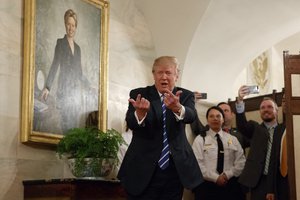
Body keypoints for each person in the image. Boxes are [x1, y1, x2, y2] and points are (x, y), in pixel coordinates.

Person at [117, 56, 204, 200]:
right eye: (159, 73)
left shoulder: (185, 95)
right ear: (153, 74)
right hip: (143, 168)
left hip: (174, 168)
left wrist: (178, 108)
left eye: (168, 73)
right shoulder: (140, 94)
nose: (164, 77)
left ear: (177, 75)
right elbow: (131, 122)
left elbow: (191, 116)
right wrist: (140, 113)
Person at [40, 9, 91, 133]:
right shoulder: (60, 43)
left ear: (76, 27)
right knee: (65, 128)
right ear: (65, 25)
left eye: (73, 25)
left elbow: (79, 73)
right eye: (68, 24)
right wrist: (47, 87)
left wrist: (89, 86)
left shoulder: (78, 49)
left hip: (75, 96)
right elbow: (54, 65)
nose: (71, 28)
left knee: (73, 128)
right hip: (63, 92)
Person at [236, 85, 286, 200]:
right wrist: (240, 100)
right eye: (263, 108)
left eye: (269, 107)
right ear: (259, 112)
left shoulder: (284, 130)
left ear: (276, 110)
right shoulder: (255, 128)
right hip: (258, 181)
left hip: (279, 180)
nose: (266, 109)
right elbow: (242, 125)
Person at [192, 106, 246, 200]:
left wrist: (227, 175)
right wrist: (215, 178)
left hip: (230, 185)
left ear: (223, 119)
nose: (215, 118)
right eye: (211, 116)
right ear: (207, 120)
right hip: (206, 187)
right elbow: (197, 164)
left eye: (218, 116)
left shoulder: (232, 139)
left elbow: (241, 162)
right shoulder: (200, 139)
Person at [267, 93, 289, 200]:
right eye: (284, 100)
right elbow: (273, 161)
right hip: (281, 182)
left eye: (289, 98)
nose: (285, 103)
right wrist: (270, 189)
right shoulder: (278, 130)